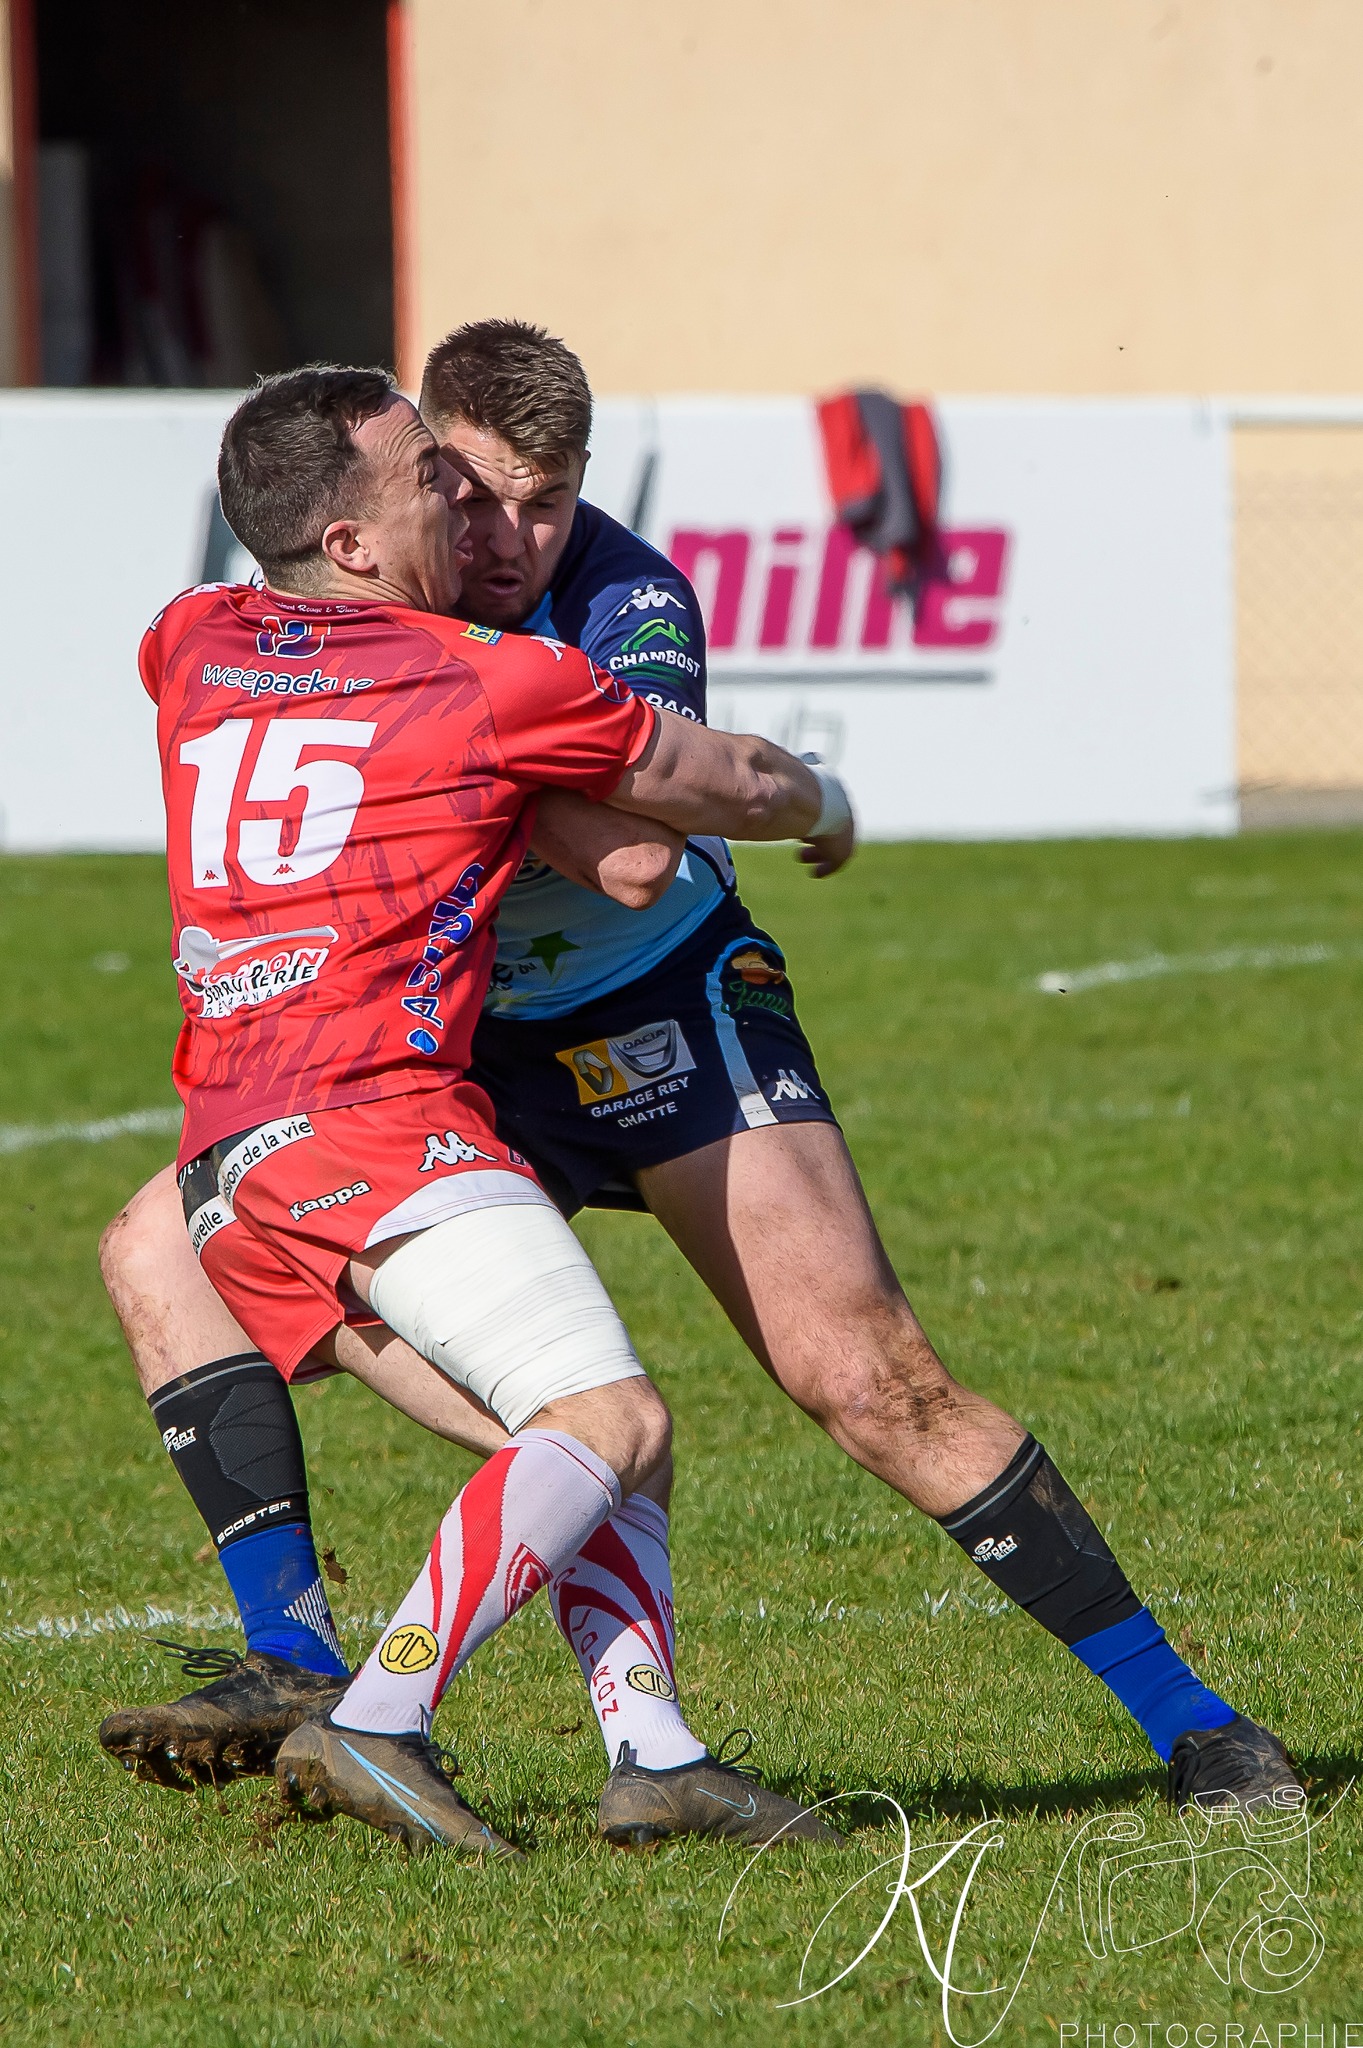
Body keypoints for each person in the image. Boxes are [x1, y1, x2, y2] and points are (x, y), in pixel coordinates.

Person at [103, 325, 1302, 1824]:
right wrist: (453, 738)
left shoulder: (622, 595)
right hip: (451, 1046)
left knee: (867, 1379)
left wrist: (466, 745)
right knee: (166, 1247)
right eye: (468, 495)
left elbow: (642, 857)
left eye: (549, 503)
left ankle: (1194, 1719)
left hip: (659, 1009)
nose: (509, 537)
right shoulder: (397, 644)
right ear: (411, 490)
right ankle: (318, 1665)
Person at [133, 361, 851, 1855]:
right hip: (375, 1117)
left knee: (597, 1441)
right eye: (428, 479)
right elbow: (710, 797)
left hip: (228, 1150)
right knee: (610, 1415)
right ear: (348, 540)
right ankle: (378, 1719)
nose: (462, 499)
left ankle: (652, 1754)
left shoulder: (188, 642)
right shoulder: (483, 678)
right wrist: (827, 806)